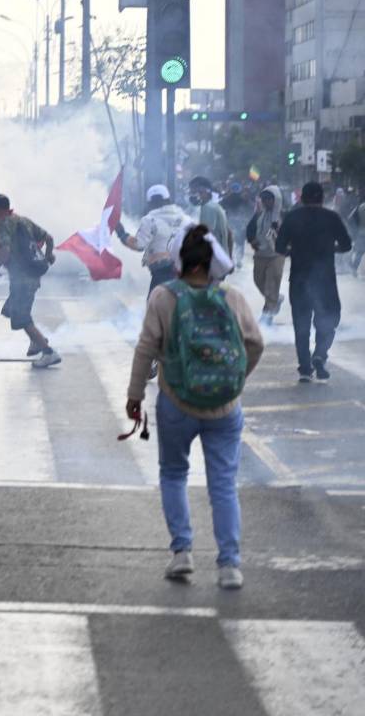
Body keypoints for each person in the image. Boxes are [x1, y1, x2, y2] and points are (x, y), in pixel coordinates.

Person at [127, 224, 263, 590]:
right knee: (223, 484)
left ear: (178, 262)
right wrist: (235, 382)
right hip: (225, 409)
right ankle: (229, 565)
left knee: (173, 475)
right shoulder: (232, 298)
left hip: (176, 403)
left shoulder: (163, 297)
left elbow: (145, 348)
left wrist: (135, 394)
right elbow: (255, 344)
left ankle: (182, 553)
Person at [275, 181, 354, 382]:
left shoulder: (292, 218)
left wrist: (294, 251)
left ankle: (304, 368)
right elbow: (346, 245)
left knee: (301, 325)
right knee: (328, 320)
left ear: (302, 198)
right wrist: (330, 249)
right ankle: (320, 354)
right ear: (321, 197)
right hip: (325, 280)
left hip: (299, 280)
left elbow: (279, 248)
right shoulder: (332, 217)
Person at [0, 194, 61, 368]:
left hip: (23, 278)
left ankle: (49, 352)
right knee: (11, 310)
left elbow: (4, 252)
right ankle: (36, 341)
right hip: (32, 276)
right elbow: (49, 238)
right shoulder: (22, 220)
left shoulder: (2, 225)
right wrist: (48, 256)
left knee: (21, 317)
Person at [117, 184, 195, 295]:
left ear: (150, 203)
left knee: (154, 307)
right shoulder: (186, 219)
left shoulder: (150, 220)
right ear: (168, 199)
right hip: (185, 271)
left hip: (162, 273)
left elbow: (139, 245)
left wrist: (121, 233)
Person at [245, 185, 286, 323]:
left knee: (271, 285)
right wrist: (252, 241)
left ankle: (267, 314)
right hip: (260, 254)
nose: (266, 202)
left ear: (276, 200)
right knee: (258, 281)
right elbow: (250, 230)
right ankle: (276, 299)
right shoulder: (258, 214)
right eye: (264, 199)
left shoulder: (283, 215)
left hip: (276, 256)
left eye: (269, 199)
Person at [188, 176, 231, 252]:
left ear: (205, 191)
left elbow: (205, 233)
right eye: (191, 193)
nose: (192, 196)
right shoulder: (210, 205)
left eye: (194, 192)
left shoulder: (209, 207)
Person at [220, 182, 252, 264]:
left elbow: (220, 207)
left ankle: (231, 257)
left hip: (230, 222)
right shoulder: (243, 199)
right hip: (240, 223)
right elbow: (249, 210)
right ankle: (238, 259)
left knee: (230, 240)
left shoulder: (226, 199)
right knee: (240, 242)